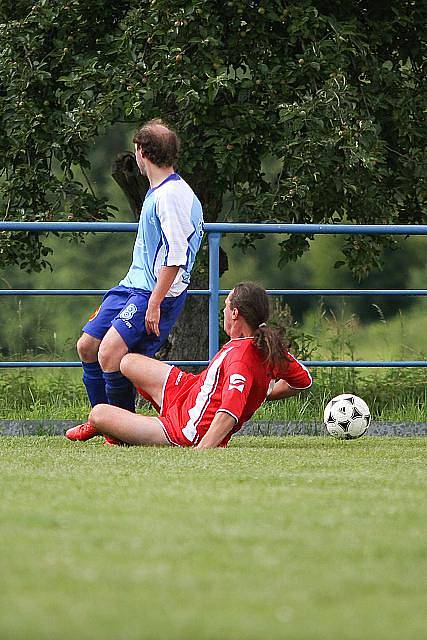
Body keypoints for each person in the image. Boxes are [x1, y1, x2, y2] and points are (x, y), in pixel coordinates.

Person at [66, 118, 204, 442]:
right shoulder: (162, 190)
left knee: (110, 353)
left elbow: (176, 256)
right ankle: (103, 420)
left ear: (141, 152)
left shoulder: (171, 196)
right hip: (133, 285)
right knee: (87, 346)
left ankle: (122, 431)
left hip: (154, 292)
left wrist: (155, 303)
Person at [66, 282, 312, 448]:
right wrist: (265, 393)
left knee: (98, 413)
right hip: (188, 391)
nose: (223, 311)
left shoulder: (241, 358)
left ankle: (116, 430)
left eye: (226, 306)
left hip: (184, 428)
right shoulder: (267, 345)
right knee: (127, 361)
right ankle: (124, 426)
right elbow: (303, 381)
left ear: (235, 314)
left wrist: (202, 451)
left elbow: (229, 413)